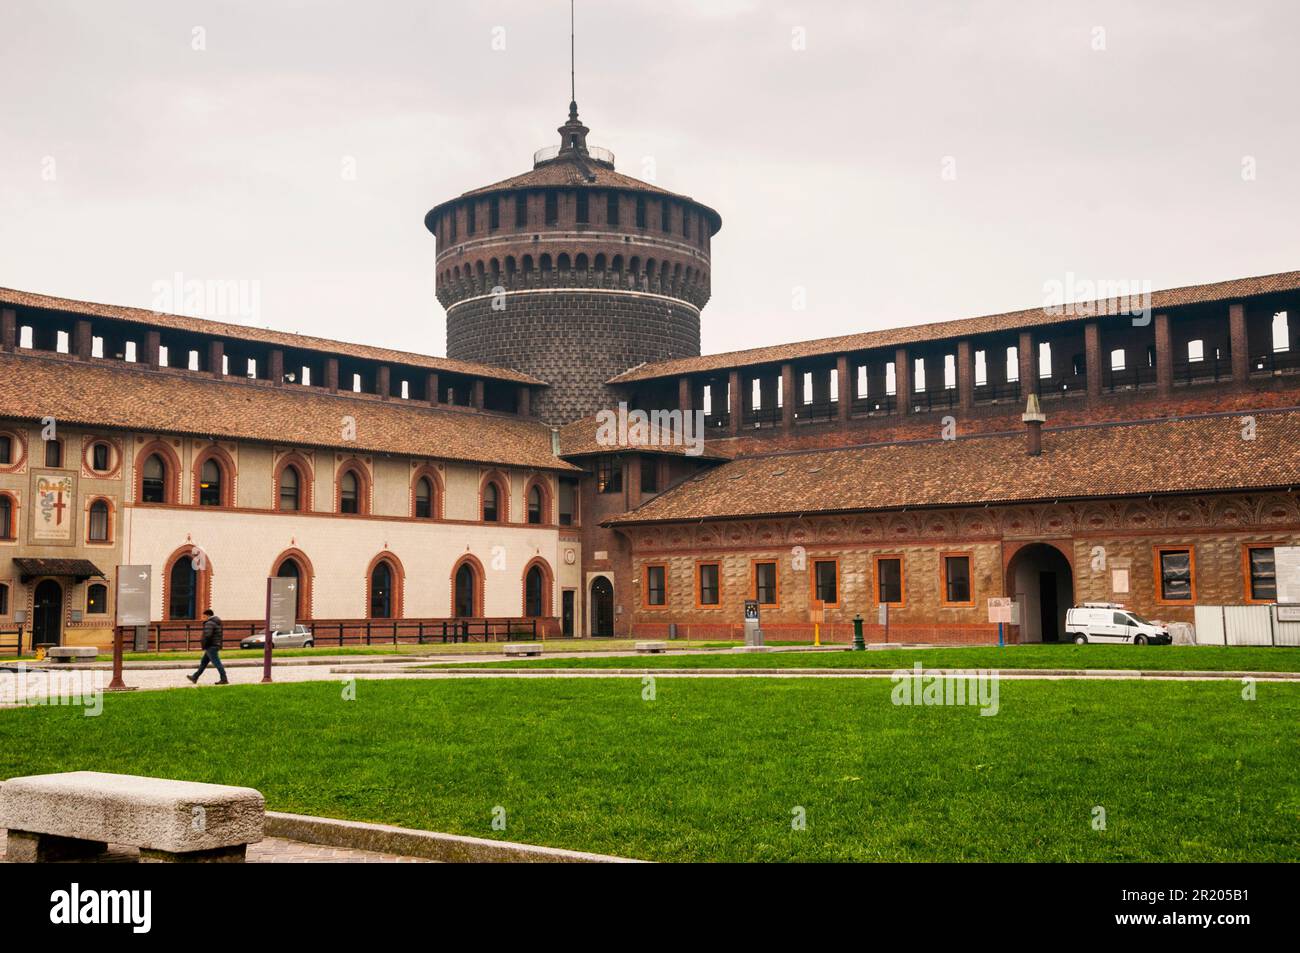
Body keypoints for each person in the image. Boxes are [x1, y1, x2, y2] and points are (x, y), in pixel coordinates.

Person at [187, 609, 229, 685]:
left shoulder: (209, 623)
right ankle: (195, 677)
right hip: (214, 645)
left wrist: (204, 644)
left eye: (203, 616)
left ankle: (224, 679)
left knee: (217, 663)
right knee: (203, 662)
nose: (202, 618)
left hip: (211, 646)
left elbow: (207, 635)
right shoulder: (216, 622)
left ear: (208, 616)